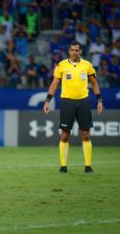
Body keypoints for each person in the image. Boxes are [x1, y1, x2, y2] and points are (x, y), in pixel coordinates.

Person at [43, 41, 103, 173]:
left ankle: (88, 166)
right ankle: (63, 166)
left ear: (81, 51)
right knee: (65, 135)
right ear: (69, 51)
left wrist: (99, 100)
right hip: (67, 102)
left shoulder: (87, 65)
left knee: (86, 134)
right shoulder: (61, 65)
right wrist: (47, 100)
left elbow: (94, 83)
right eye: (72, 50)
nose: (74, 52)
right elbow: (55, 83)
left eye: (77, 50)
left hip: (83, 102)